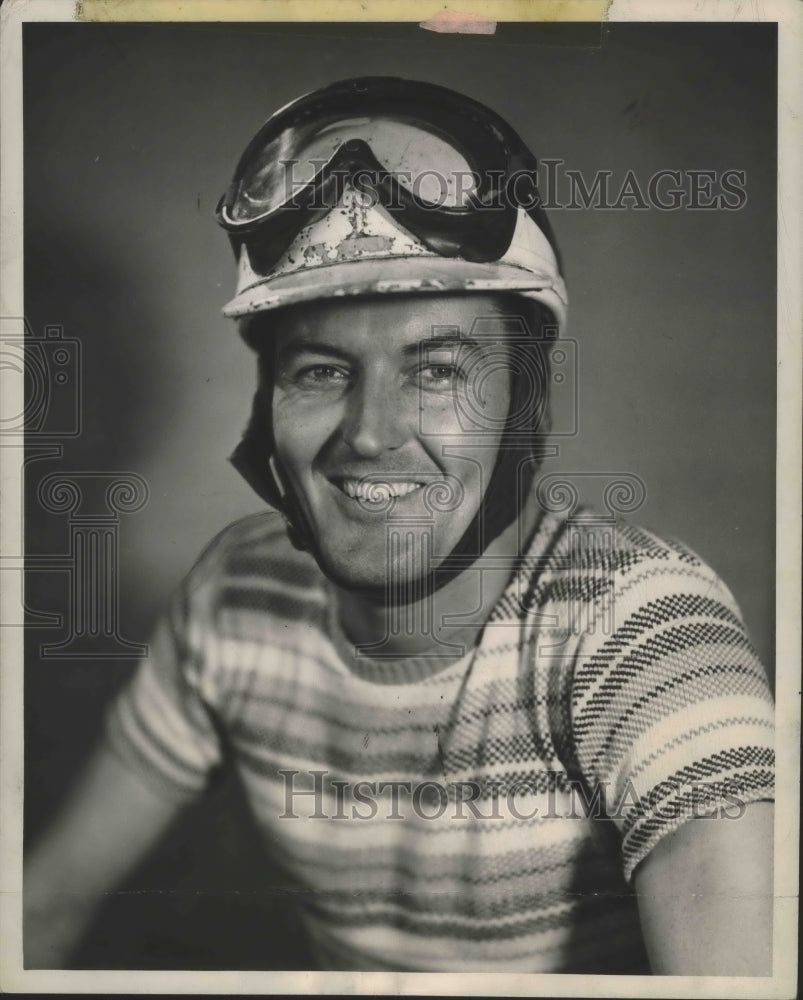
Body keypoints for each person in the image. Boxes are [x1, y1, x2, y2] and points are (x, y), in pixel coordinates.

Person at [24, 76, 775, 975]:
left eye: (436, 369)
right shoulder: (234, 593)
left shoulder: (643, 628)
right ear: (264, 410)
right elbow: (49, 904)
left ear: (522, 405)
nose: (371, 435)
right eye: (321, 372)